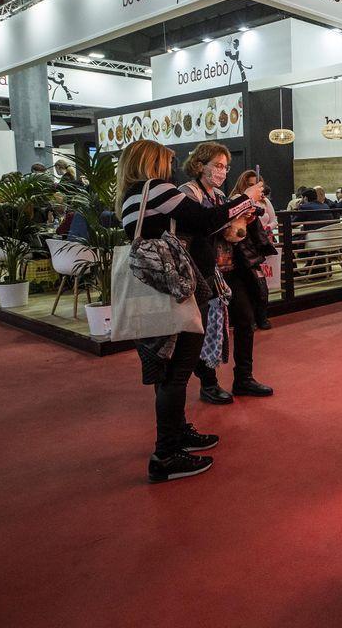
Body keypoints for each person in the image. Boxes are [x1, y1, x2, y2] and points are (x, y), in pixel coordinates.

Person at [117, 140, 262, 483]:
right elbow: (203, 219)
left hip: (154, 293)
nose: (170, 167)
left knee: (167, 369)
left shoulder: (131, 196)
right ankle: (166, 454)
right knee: (176, 371)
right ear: (153, 163)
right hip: (176, 291)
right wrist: (247, 199)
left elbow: (199, 223)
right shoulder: (158, 189)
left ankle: (178, 433)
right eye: (166, 161)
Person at [178, 143, 273, 402]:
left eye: (225, 167)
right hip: (201, 272)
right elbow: (204, 224)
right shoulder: (188, 193)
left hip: (228, 270)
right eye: (217, 165)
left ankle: (244, 377)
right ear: (200, 164)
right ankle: (208, 384)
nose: (222, 171)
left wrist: (244, 219)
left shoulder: (219, 195)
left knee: (245, 320)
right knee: (205, 329)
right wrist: (244, 201)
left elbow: (229, 232)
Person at [230, 170, 278, 332]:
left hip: (259, 247)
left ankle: (258, 318)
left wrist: (266, 228)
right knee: (253, 286)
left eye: (256, 184)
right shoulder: (237, 200)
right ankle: (252, 319)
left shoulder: (263, 202)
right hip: (242, 248)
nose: (254, 187)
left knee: (260, 286)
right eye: (250, 185)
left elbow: (273, 219)